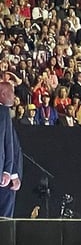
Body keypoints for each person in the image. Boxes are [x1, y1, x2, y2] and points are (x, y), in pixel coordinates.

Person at [0, 80, 22, 217]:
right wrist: (9, 172)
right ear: (3, 94)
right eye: (12, 93)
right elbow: (8, 144)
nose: (14, 97)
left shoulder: (4, 113)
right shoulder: (3, 112)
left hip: (4, 176)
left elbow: (10, 143)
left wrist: (10, 172)